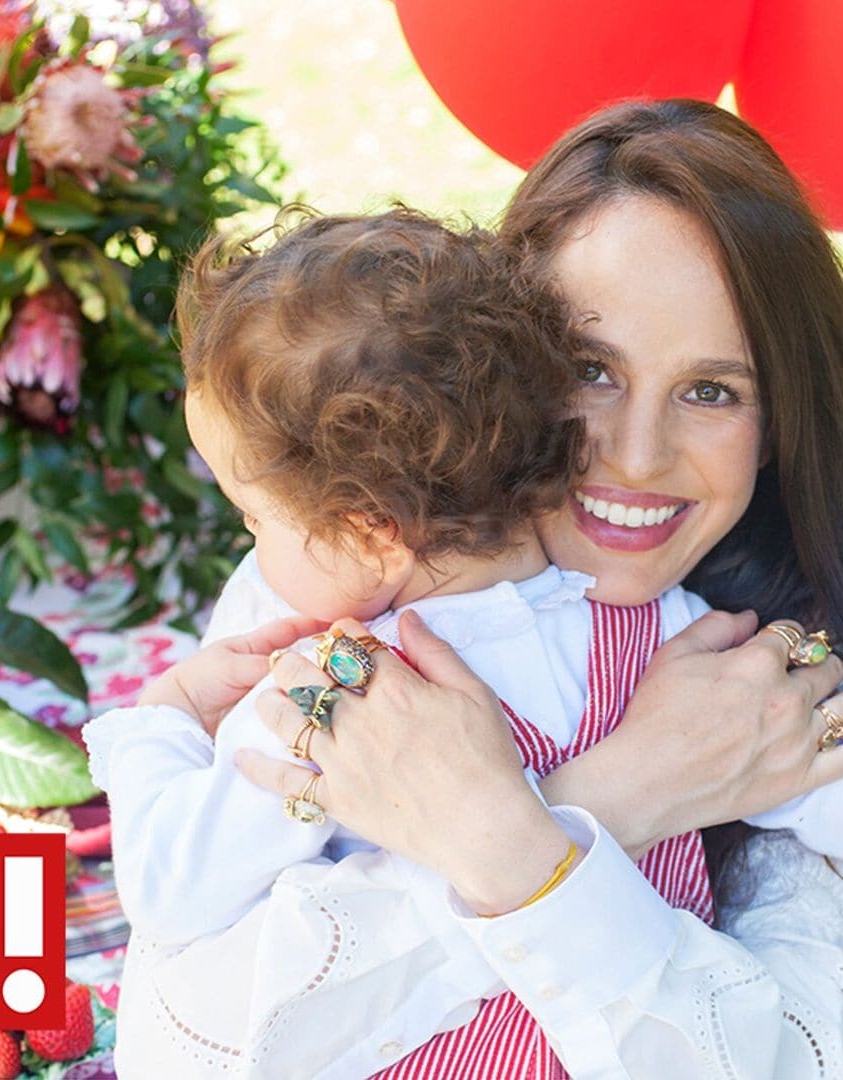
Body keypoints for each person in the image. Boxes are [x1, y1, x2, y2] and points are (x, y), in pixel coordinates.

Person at [89, 101, 843, 1078]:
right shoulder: (331, 600)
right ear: (488, 363)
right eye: (589, 368)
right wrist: (596, 803)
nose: (636, 456)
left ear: (781, 418)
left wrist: (151, 737)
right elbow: (185, 1032)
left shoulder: (750, 665)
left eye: (713, 391)